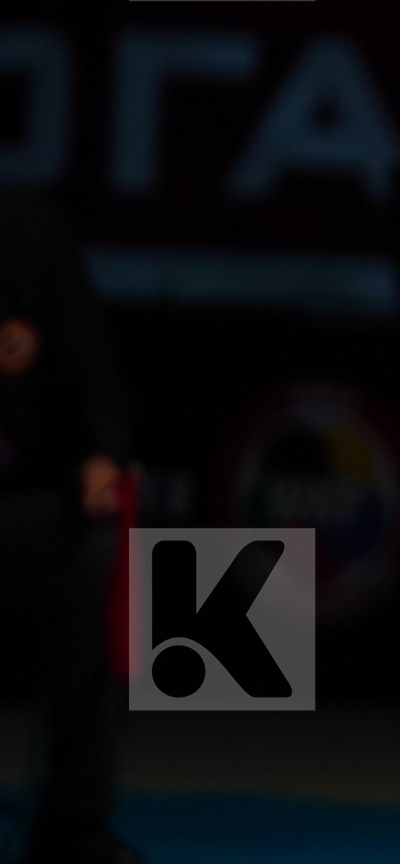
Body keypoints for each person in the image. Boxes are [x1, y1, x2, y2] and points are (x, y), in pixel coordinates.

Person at [0, 192, 140, 864]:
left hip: (29, 495)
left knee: (95, 551)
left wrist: (101, 457)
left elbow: (93, 368)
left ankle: (73, 820)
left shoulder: (30, 230)